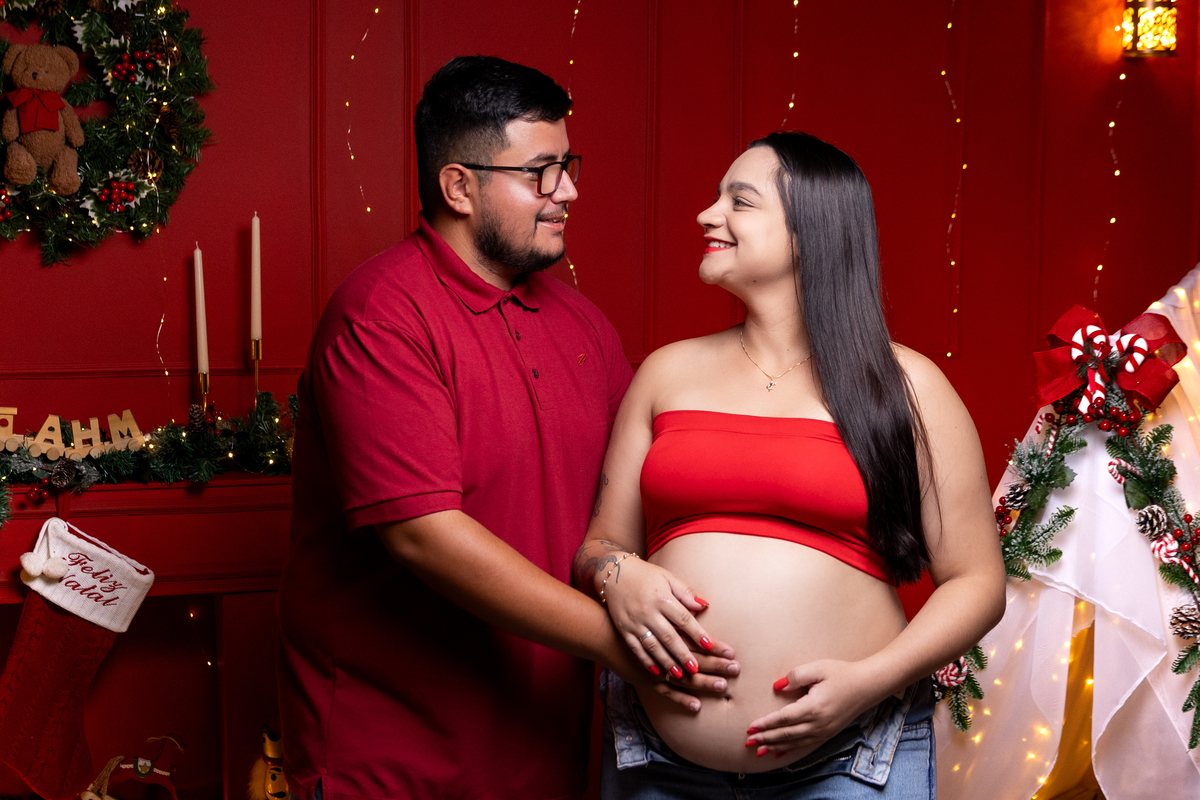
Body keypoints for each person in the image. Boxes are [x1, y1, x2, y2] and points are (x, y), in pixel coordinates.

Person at [275, 55, 733, 800]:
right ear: (459, 186)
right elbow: (425, 535)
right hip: (392, 763)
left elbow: (638, 500)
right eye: (541, 172)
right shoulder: (381, 315)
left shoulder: (583, 324)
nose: (568, 192)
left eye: (568, 167)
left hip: (546, 750)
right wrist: (627, 647)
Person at [574, 131, 1007, 797]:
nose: (707, 215)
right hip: (658, 762)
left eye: (739, 201)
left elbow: (977, 582)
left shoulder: (910, 388)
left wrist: (867, 682)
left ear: (809, 232)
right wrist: (617, 576)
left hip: (852, 759)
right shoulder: (665, 373)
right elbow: (599, 546)